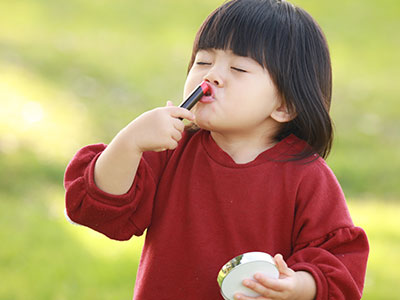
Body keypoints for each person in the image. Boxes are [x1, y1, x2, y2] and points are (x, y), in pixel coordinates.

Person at [64, 0, 369, 299]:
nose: (211, 76)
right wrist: (129, 143)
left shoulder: (307, 176)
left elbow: (340, 264)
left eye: (238, 68)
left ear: (285, 105)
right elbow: (95, 210)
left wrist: (298, 286)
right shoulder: (169, 148)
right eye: (203, 61)